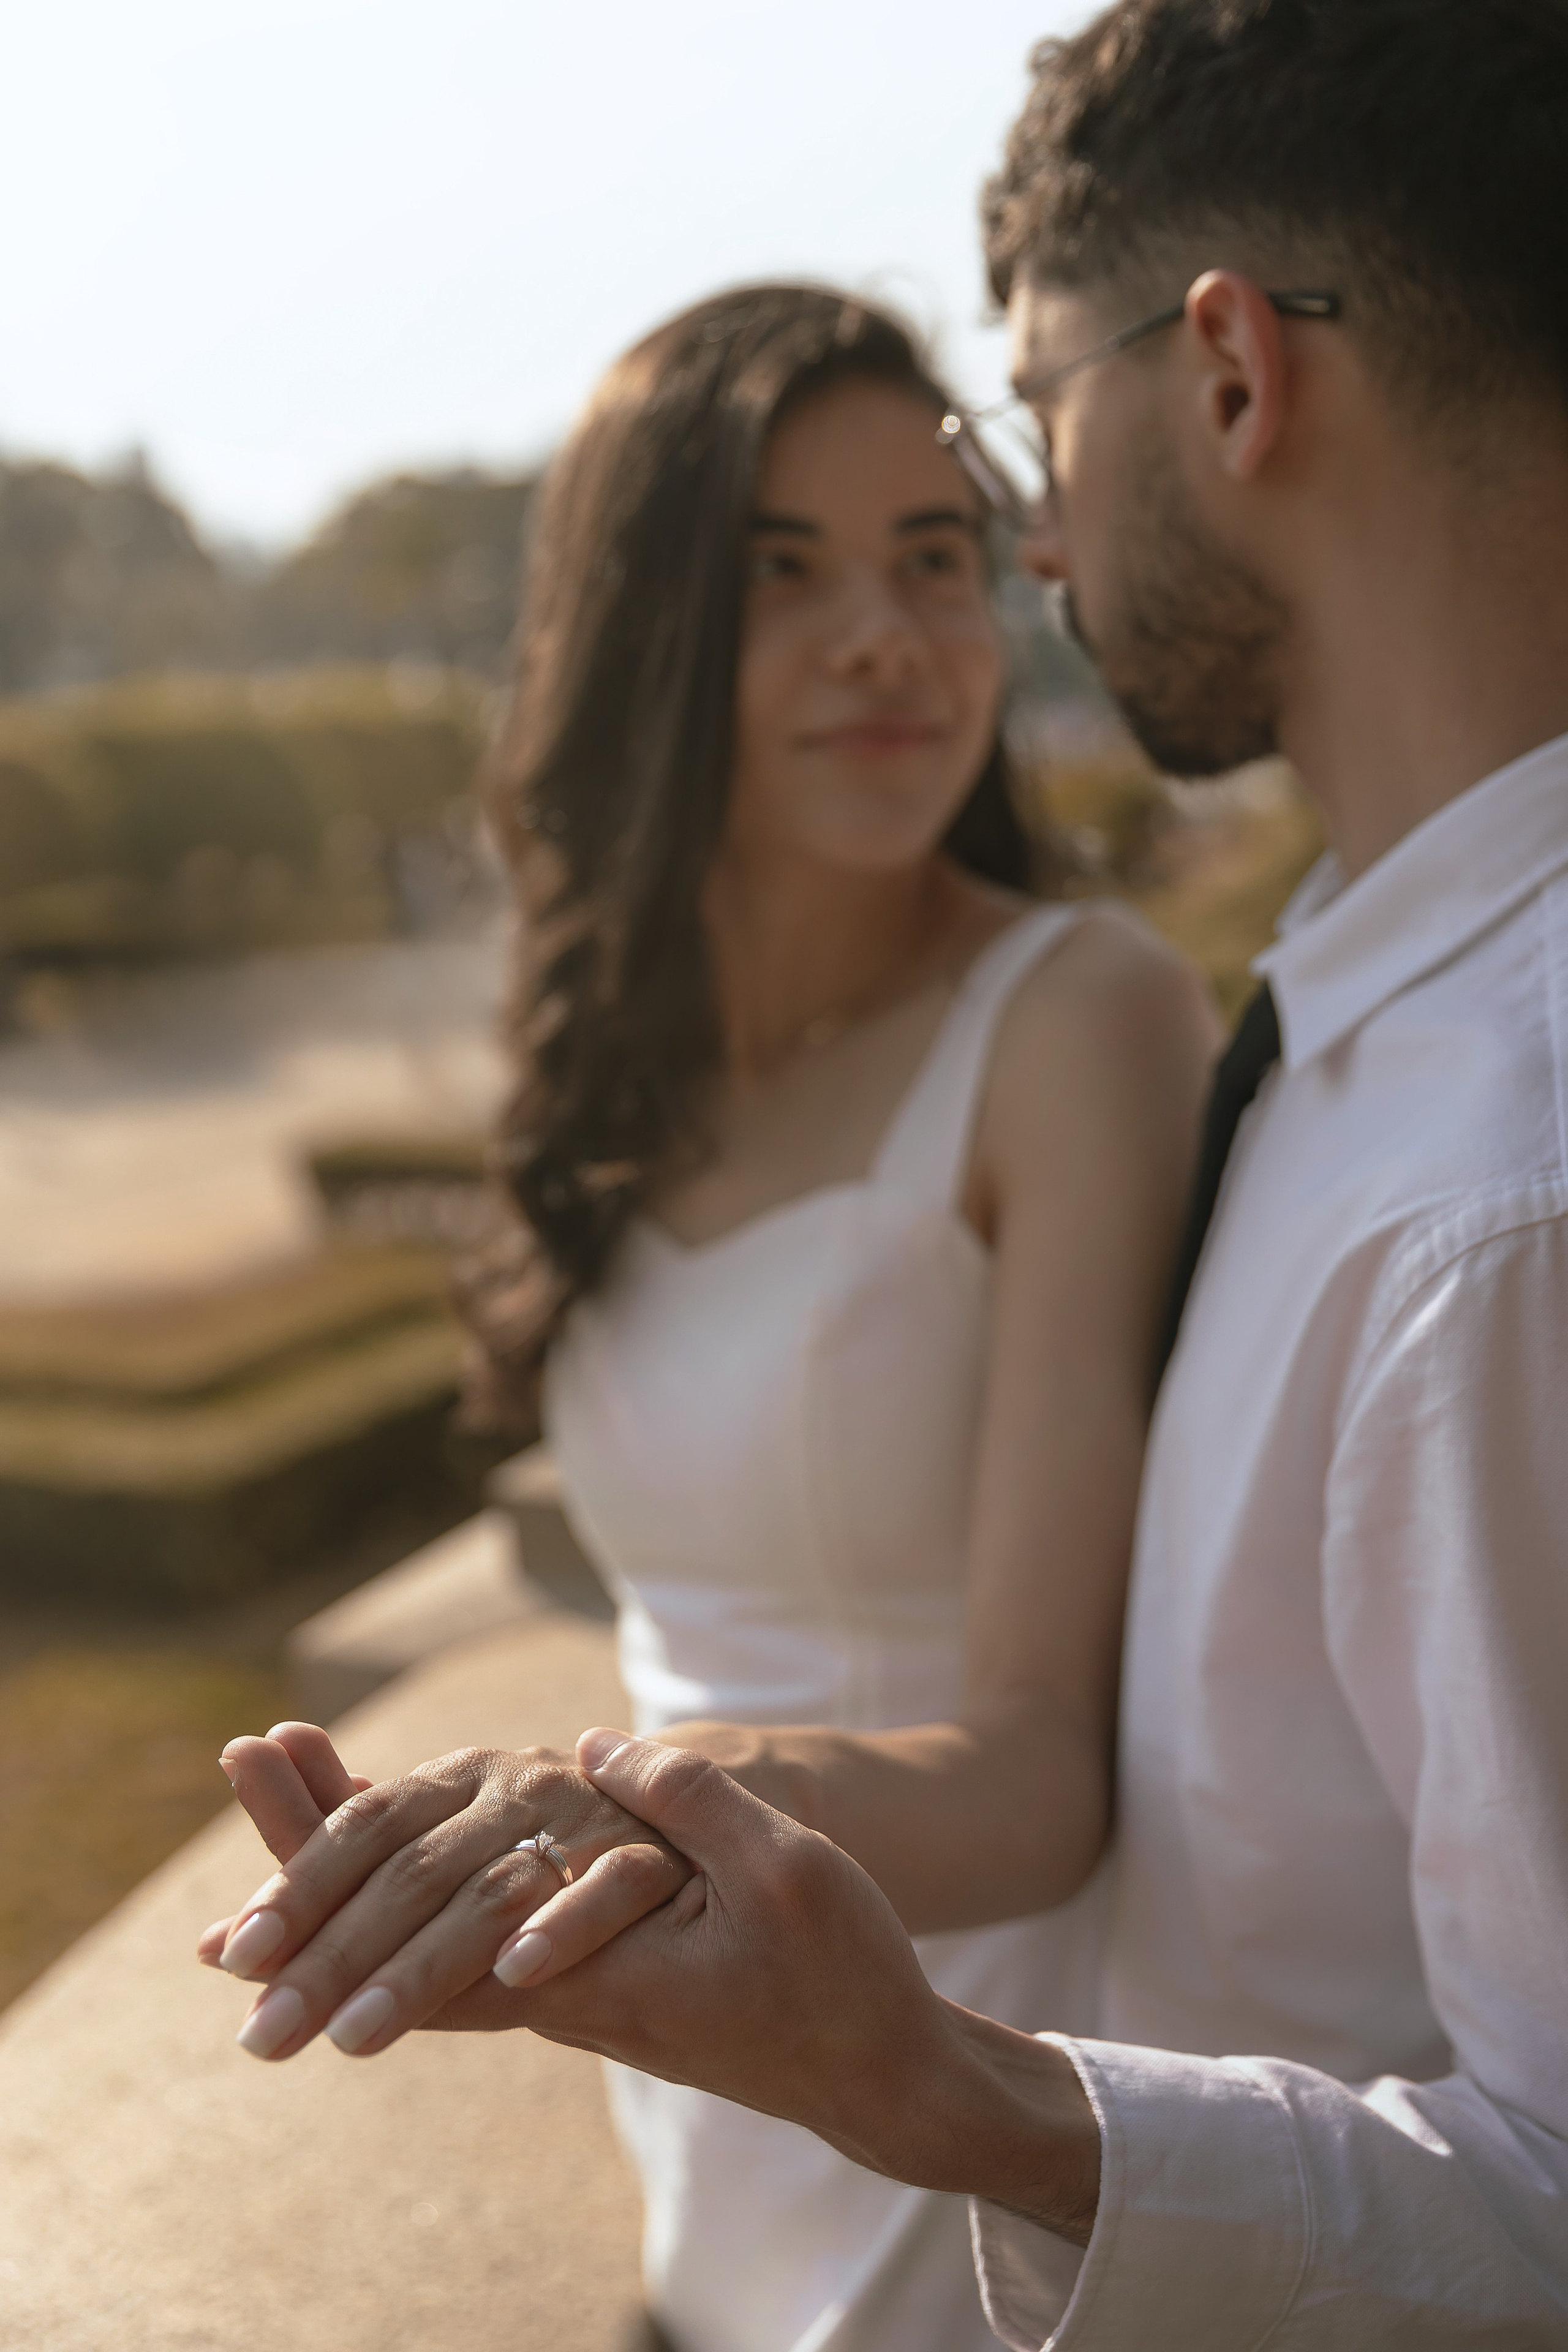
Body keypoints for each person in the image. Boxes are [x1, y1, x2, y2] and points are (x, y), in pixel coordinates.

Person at [206, 0, 1568, 2335]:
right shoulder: (1353, 1019)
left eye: (1016, 442)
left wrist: (753, 1908)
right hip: (762, 2161)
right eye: (780, 568)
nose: (1016, 559)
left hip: (994, 2200)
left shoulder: (1455, 1166)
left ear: (1228, 372)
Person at [202, 282, 1216, 2352]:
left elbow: (1041, 1770)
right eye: (781, 574)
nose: (884, 636)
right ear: (643, 633)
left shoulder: (1077, 1016)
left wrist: (636, 1794)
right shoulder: (615, 1065)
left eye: (930, 563)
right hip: (688, 2130)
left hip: (959, 2118)